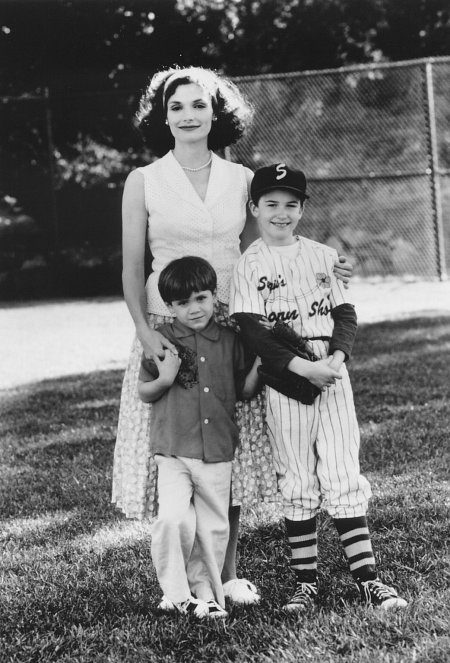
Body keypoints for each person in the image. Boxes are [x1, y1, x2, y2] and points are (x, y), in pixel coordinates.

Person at [112, 65, 353, 606]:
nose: (188, 115)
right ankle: (183, 581)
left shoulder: (242, 179)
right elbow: (131, 269)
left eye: (199, 105)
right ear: (163, 116)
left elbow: (267, 249)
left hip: (231, 324)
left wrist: (327, 267)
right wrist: (145, 334)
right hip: (168, 326)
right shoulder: (144, 180)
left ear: (216, 113)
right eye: (177, 106)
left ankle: (228, 573)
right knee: (177, 449)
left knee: (228, 449)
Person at [229, 163, 408, 611]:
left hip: (330, 369)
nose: (281, 212)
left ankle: (368, 578)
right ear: (254, 208)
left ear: (303, 208)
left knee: (343, 471)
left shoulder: (325, 255)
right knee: (298, 478)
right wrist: (302, 369)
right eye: (271, 203)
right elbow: (252, 331)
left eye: (291, 204)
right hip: (285, 375)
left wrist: (337, 359)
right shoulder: (248, 264)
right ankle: (304, 584)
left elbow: (345, 315)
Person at [137, 256, 261, 619]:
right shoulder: (162, 341)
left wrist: (261, 365)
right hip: (174, 448)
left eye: (201, 299)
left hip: (218, 449)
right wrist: (165, 377)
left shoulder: (229, 340)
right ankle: (176, 594)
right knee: (173, 520)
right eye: (182, 303)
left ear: (214, 296)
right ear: (169, 306)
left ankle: (206, 595)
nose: (194, 309)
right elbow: (145, 391)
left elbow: (244, 390)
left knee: (212, 528)